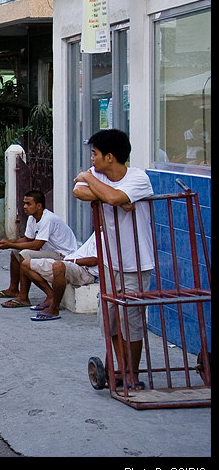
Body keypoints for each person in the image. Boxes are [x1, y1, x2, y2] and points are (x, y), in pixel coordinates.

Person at [74, 129, 155, 389]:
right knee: (110, 317)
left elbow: (110, 196)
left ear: (110, 157)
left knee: (130, 319)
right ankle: (119, 369)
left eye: (95, 154)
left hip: (136, 263)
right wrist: (110, 195)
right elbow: (78, 189)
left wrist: (111, 195)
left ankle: (131, 373)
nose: (91, 159)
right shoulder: (96, 174)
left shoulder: (138, 178)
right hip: (110, 261)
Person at [0, 189, 79, 309]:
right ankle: (13, 289)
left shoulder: (47, 219)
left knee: (24, 254)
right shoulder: (32, 218)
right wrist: (9, 242)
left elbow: (36, 245)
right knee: (15, 253)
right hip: (49, 251)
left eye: (28, 204)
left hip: (63, 254)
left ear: (38, 206)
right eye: (24, 203)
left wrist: (10, 244)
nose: (25, 207)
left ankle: (29, 296)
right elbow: (28, 239)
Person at [20, 236, 100, 321]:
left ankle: (54, 308)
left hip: (85, 271)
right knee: (25, 264)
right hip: (71, 262)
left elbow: (94, 261)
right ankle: (51, 296)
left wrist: (72, 261)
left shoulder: (105, 236)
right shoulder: (97, 233)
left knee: (58, 266)